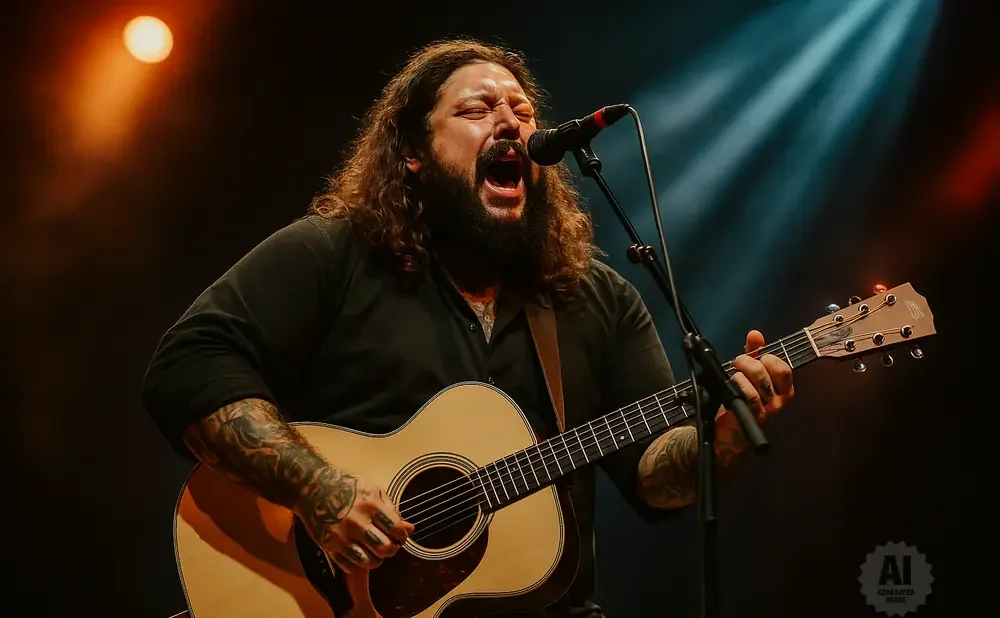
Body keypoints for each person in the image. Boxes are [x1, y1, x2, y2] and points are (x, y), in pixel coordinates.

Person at [141, 38, 795, 618]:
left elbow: (656, 480)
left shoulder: (595, 298)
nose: (510, 121)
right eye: (476, 109)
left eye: (522, 110)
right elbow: (188, 367)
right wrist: (318, 488)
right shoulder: (333, 256)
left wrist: (725, 436)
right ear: (414, 153)